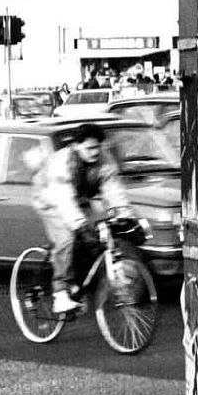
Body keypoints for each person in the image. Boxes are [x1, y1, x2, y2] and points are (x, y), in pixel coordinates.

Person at [30, 124, 133, 314]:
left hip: (80, 199)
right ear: (77, 146)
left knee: (100, 234)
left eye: (97, 147)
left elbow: (113, 189)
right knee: (67, 238)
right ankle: (60, 293)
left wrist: (124, 214)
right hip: (50, 199)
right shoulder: (63, 161)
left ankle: (78, 283)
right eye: (89, 148)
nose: (94, 153)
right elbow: (63, 199)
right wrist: (80, 226)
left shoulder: (104, 159)